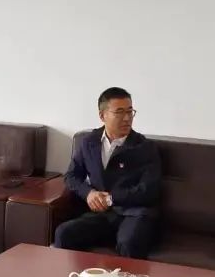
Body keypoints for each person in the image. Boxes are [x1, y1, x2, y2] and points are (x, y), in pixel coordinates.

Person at [53, 87, 162, 259]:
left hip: (133, 213)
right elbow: (71, 176)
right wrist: (89, 193)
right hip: (101, 215)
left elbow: (149, 190)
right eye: (119, 112)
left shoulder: (145, 147)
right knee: (63, 233)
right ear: (102, 116)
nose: (127, 118)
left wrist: (111, 198)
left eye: (130, 111)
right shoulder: (89, 142)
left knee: (128, 242)